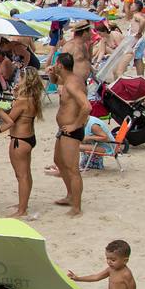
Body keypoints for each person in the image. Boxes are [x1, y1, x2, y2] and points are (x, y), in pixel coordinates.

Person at [0, 67, 43, 218]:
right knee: (26, 174)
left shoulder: (22, 101)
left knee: (21, 176)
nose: (17, 81)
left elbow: (10, 119)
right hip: (29, 137)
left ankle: (22, 210)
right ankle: (23, 204)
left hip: (19, 140)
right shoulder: (33, 98)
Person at [52, 53, 86, 216]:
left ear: (60, 65)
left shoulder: (72, 84)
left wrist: (75, 125)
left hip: (71, 130)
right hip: (64, 129)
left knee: (72, 168)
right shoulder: (67, 79)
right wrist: (52, 72)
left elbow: (87, 107)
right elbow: (53, 81)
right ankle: (70, 196)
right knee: (58, 161)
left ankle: (76, 207)